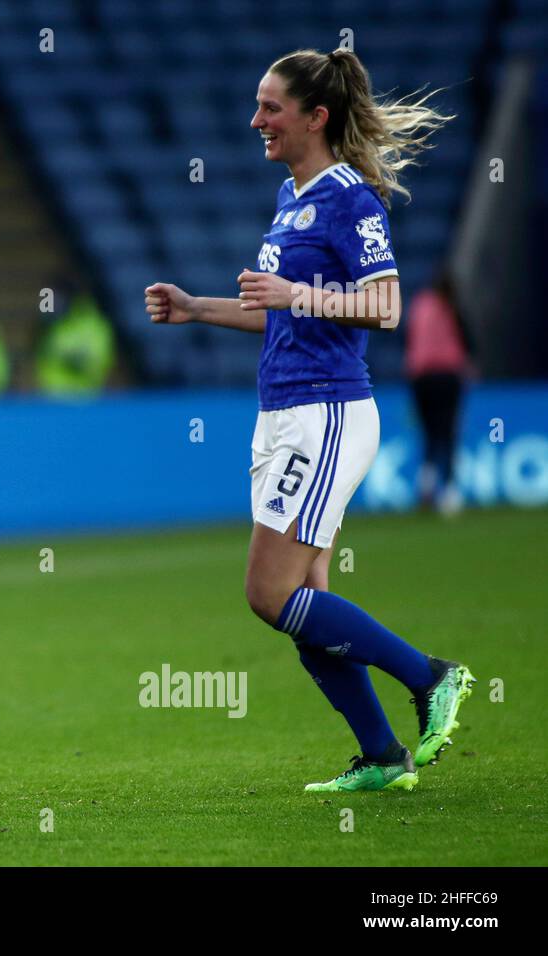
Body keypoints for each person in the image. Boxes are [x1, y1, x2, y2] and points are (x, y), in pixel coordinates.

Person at [145, 49, 473, 792]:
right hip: (286, 412)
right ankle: (383, 756)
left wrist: (297, 294)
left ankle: (430, 676)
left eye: (270, 107)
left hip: (325, 413)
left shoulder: (350, 199)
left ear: (315, 117)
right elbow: (281, 312)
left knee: (270, 594)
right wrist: (198, 307)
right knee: (308, 607)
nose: (256, 120)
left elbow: (384, 305)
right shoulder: (292, 200)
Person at [404, 269, 472, 515]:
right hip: (448, 375)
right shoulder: (453, 307)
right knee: (449, 433)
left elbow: (408, 340)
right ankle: (451, 492)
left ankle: (426, 489)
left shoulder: (420, 304)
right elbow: (468, 340)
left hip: (421, 377)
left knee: (429, 433)